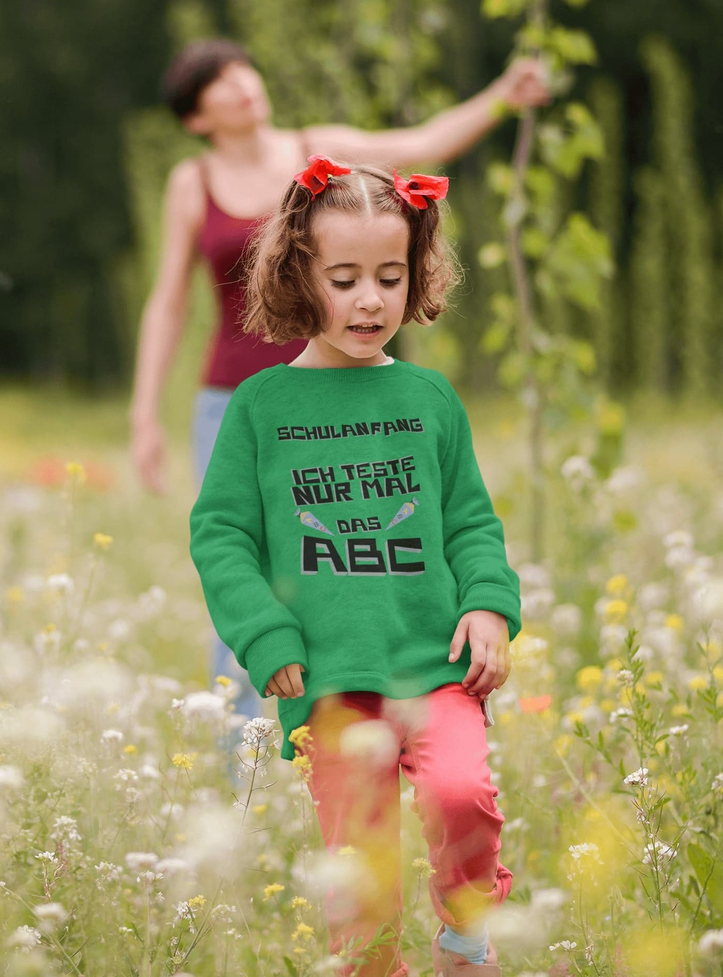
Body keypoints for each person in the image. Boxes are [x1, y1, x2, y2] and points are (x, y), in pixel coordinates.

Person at [131, 36, 545, 723]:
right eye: (217, 82)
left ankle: (377, 720)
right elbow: (168, 300)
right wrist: (144, 413)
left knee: (355, 557)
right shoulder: (191, 183)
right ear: (195, 117)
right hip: (236, 399)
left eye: (242, 67)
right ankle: (249, 767)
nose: (241, 84)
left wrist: (503, 94)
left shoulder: (317, 155)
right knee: (243, 572)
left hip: (350, 395)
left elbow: (424, 140)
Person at [189, 155, 522, 977]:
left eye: (390, 274)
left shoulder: (430, 398)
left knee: (461, 797)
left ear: (417, 274)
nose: (371, 299)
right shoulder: (262, 407)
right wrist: (264, 634)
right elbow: (221, 534)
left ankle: (466, 941)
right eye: (344, 278)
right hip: (332, 681)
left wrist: (487, 604)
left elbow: (473, 522)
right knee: (361, 881)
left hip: (435, 665)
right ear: (300, 275)